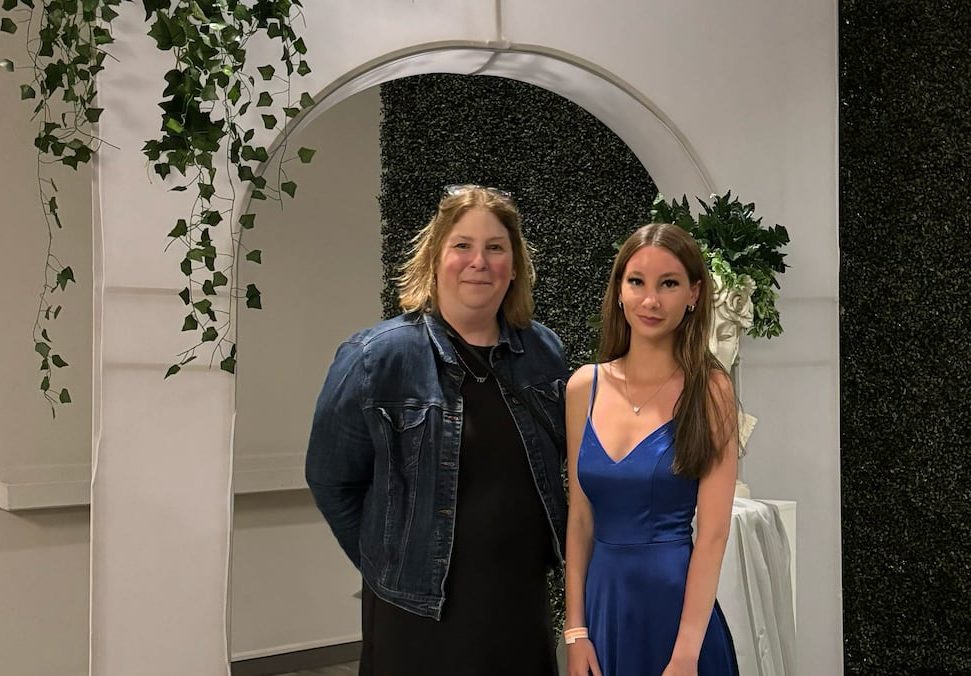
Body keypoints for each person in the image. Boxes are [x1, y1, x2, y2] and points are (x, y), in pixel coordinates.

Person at [306, 185, 570, 676]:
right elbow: (330, 479)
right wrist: (392, 560)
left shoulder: (543, 352)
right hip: (418, 611)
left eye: (495, 247)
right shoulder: (375, 356)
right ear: (436, 257)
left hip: (520, 601)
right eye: (462, 246)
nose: (479, 261)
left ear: (514, 266)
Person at [564, 223, 740, 676]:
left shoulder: (711, 389)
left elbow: (714, 534)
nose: (651, 300)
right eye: (637, 281)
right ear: (619, 290)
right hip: (602, 616)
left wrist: (685, 655)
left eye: (669, 283)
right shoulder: (584, 386)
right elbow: (580, 518)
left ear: (693, 294)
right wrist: (576, 630)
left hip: (678, 619)